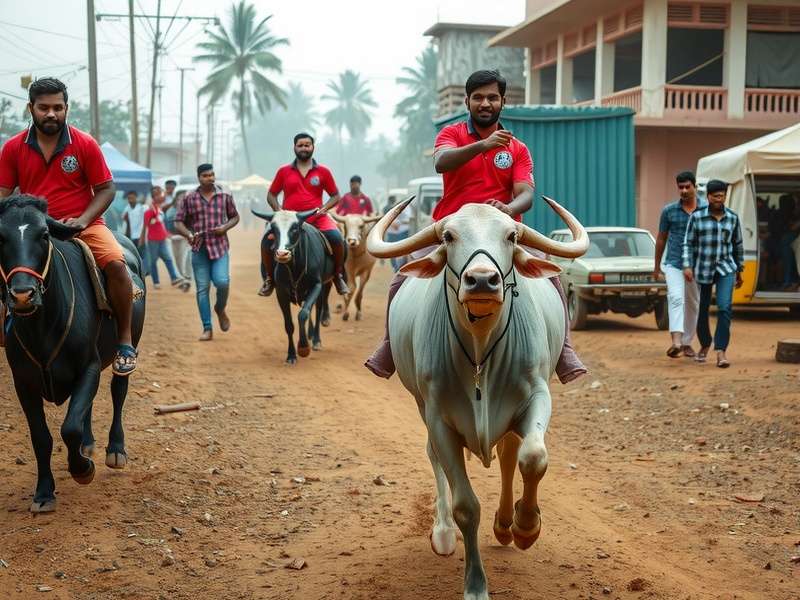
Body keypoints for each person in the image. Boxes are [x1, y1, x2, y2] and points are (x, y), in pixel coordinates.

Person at [365, 69, 586, 383]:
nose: (486, 103)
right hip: (452, 231)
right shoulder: (451, 135)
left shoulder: (517, 149)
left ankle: (564, 351)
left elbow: (526, 194)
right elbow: (442, 162)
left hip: (502, 232)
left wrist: (507, 209)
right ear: (467, 102)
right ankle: (388, 347)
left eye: (492, 97)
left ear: (503, 102)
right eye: (479, 97)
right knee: (403, 277)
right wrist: (483, 146)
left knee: (551, 278)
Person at [0, 77, 137, 374]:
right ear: (30, 108)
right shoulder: (12, 148)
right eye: (44, 107)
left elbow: (106, 189)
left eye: (58, 108)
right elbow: (3, 193)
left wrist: (83, 219)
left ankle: (125, 341)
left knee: (115, 264)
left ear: (66, 108)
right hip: (34, 229)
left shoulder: (84, 143)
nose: (51, 114)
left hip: (83, 226)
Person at [260, 133, 350, 297]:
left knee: (337, 238)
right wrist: (278, 210)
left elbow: (335, 195)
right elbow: (271, 195)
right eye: (300, 145)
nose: (304, 148)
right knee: (266, 240)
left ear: (313, 147)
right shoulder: (284, 171)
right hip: (289, 221)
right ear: (294, 147)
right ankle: (269, 279)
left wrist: (325, 207)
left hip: (317, 218)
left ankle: (337, 276)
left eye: (307, 145)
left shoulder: (323, 172)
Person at [683, 179, 744, 368]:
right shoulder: (697, 217)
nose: (719, 199)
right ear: (708, 196)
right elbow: (688, 243)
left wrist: (739, 269)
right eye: (715, 196)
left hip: (726, 268)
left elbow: (738, 245)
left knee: (724, 308)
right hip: (703, 268)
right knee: (702, 310)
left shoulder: (733, 218)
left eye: (722, 196)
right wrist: (687, 266)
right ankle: (705, 344)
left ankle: (721, 351)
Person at [175, 164, 239, 341]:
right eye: (205, 175)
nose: (210, 178)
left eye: (212, 174)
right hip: (199, 249)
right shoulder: (189, 198)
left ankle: (220, 309)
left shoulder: (224, 196)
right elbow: (178, 221)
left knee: (222, 282)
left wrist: (224, 227)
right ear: (199, 178)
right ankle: (207, 328)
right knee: (202, 289)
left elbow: (235, 216)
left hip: (220, 247)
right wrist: (188, 234)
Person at [653, 171, 706, 359]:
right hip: (674, 263)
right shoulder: (669, 211)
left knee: (693, 304)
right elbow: (661, 239)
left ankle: (686, 343)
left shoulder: (706, 209)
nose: (683, 190)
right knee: (676, 298)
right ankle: (676, 340)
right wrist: (656, 265)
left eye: (687, 186)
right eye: (680, 187)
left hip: (698, 265)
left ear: (695, 186)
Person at [140, 186, 188, 291]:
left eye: (160, 193)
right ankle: (156, 282)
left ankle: (174, 278)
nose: (161, 196)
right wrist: (142, 238)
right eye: (158, 194)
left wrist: (166, 234)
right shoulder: (150, 211)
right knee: (153, 261)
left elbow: (161, 224)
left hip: (162, 239)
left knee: (168, 259)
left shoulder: (159, 209)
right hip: (153, 240)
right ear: (154, 197)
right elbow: (146, 224)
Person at [166, 190, 192, 282]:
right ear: (176, 199)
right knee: (177, 257)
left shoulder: (190, 210)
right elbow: (167, 225)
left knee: (186, 256)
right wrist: (169, 235)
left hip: (185, 237)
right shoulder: (171, 211)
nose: (181, 200)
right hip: (173, 237)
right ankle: (180, 274)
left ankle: (186, 275)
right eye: (179, 198)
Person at [122, 190, 149, 274]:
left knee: (142, 254)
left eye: (132, 198)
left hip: (140, 235)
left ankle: (144, 271)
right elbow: (123, 217)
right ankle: (138, 270)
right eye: (129, 198)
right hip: (131, 235)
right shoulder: (127, 208)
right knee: (134, 254)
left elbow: (147, 210)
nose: (130, 199)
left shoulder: (142, 207)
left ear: (136, 198)